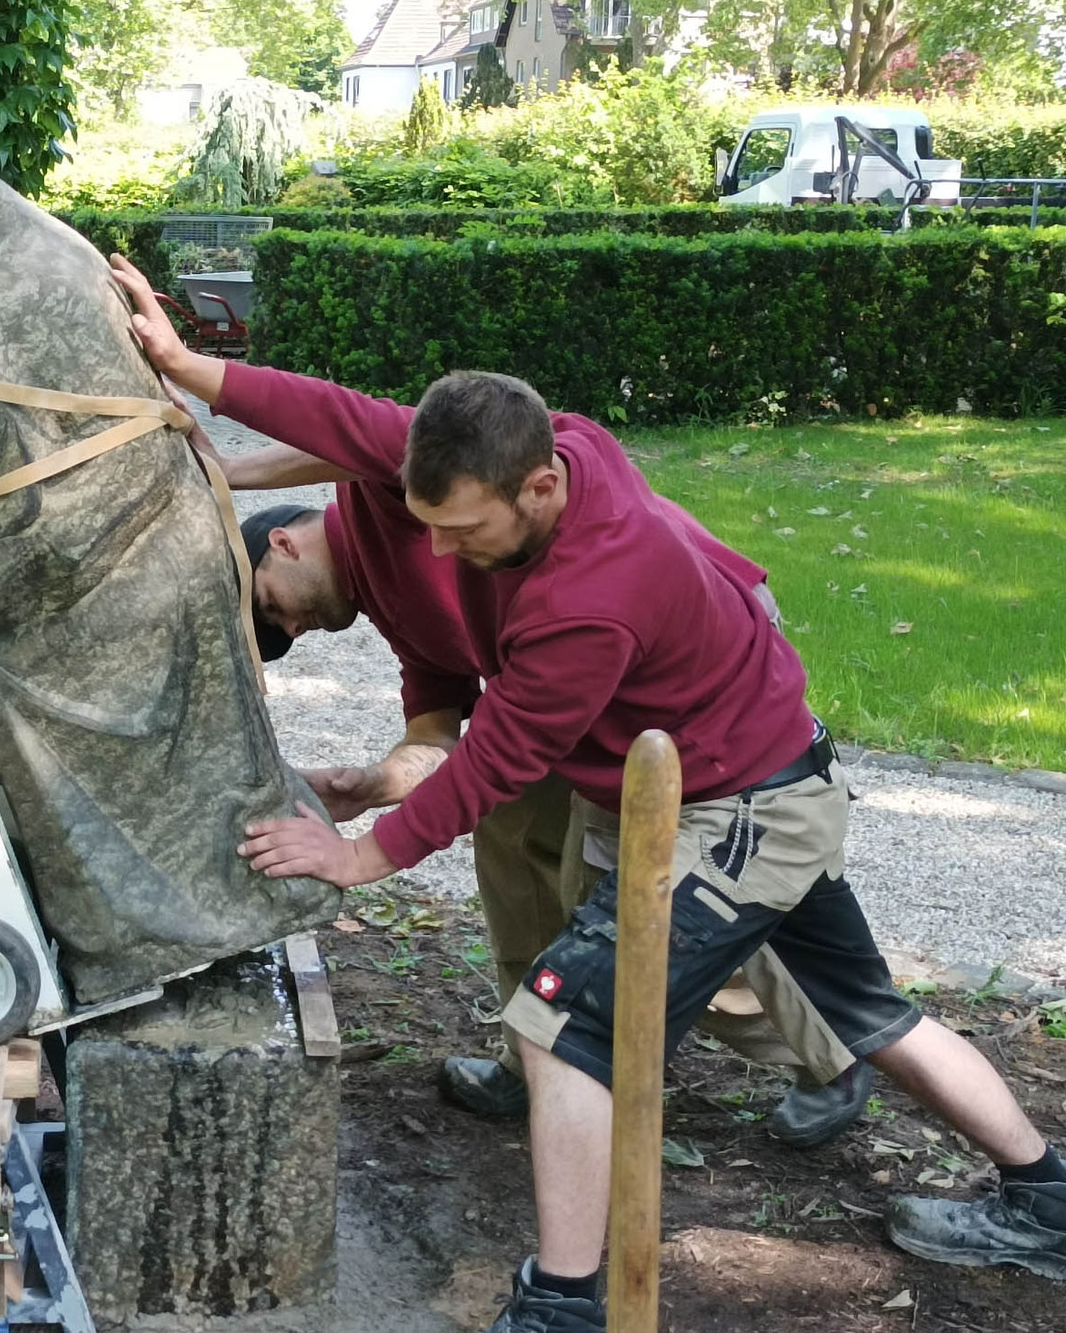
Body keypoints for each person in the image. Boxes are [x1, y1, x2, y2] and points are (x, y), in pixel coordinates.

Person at [112, 263, 1066, 1330]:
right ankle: (1045, 1195)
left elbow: (498, 760)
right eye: (425, 523)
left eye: (461, 531)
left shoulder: (588, 596)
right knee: (870, 1013)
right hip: (764, 777)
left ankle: (561, 1304)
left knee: (560, 1023)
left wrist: (361, 850)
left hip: (733, 809)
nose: (439, 551)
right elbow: (351, 421)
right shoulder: (543, 443)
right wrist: (191, 369)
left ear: (537, 492)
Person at [228, 493, 868, 1148]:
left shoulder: (392, 501)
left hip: (663, 666)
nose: (295, 628)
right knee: (511, 831)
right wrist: (376, 784)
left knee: (669, 897)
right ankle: (531, 1051)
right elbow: (439, 725)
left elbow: (349, 427)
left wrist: (224, 451)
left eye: (275, 608)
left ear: (283, 543)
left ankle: (834, 1054)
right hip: (558, 700)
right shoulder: (383, 591)